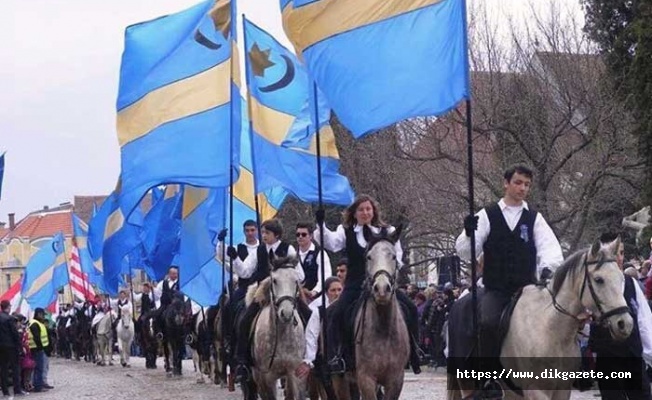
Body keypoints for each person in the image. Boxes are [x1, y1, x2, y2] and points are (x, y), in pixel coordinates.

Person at [456, 164, 564, 398]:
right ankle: (488, 380)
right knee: (487, 323)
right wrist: (468, 233)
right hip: (497, 289)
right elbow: (467, 253)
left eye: (526, 184)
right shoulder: (487, 215)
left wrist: (547, 269)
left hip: (528, 290)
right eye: (518, 182)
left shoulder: (534, 218)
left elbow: (550, 248)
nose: (522, 188)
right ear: (506, 183)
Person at [315, 194, 423, 375]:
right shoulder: (347, 231)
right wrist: (321, 225)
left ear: (373, 211)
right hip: (355, 284)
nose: (365, 213)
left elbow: (399, 259)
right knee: (336, 314)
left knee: (411, 308)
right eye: (361, 210)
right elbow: (331, 243)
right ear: (354, 213)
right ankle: (337, 357)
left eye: (368, 209)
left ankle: (415, 353)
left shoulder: (388, 231)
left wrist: (387, 276)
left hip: (384, 283)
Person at [228, 219, 307, 382]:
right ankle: (242, 361)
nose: (263, 236)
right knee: (244, 320)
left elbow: (300, 274)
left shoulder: (288, 248)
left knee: (308, 315)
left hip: (285, 291)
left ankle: (310, 356)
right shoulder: (259, 250)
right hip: (264, 291)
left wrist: (285, 276)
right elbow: (245, 272)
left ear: (276, 235)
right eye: (262, 232)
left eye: (267, 233)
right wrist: (235, 258)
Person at [589, 233, 652, 400]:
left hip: (633, 359)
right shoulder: (593, 288)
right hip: (608, 362)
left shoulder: (631, 284)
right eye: (615, 253)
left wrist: (650, 354)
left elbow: (644, 322)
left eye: (622, 253)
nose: (619, 258)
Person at [216, 220, 259, 364]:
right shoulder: (238, 247)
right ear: (244, 231)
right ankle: (229, 337)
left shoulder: (263, 247)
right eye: (247, 230)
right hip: (244, 286)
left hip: (261, 286)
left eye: (252, 230)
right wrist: (221, 241)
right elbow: (223, 255)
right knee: (228, 306)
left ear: (257, 230)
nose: (250, 233)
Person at [296, 277, 343, 382]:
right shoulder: (319, 312)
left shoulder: (348, 309)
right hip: (325, 358)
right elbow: (311, 335)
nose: (337, 294)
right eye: (333, 290)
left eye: (340, 290)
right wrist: (308, 360)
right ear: (326, 293)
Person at [296, 221, 332, 301]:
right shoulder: (293, 255)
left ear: (311, 236)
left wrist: (314, 292)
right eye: (298, 234)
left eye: (304, 234)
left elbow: (325, 276)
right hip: (298, 298)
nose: (300, 237)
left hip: (317, 298)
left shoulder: (320, 253)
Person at [0, 300, 23, 397]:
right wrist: (20, 345)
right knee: (15, 367)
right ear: (8, 307)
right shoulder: (10, 319)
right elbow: (14, 333)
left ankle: (5, 391)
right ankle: (17, 389)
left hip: (1, 346)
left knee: (3, 368)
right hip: (11, 346)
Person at [28, 308, 50, 393]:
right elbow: (37, 337)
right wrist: (41, 347)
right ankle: (38, 386)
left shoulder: (37, 323)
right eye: (42, 315)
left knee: (39, 368)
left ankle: (38, 385)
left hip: (38, 349)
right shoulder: (34, 324)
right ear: (38, 314)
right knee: (39, 368)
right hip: (37, 349)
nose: (43, 316)